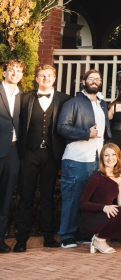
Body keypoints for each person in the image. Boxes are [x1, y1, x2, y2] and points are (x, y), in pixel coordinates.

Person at [14, 64, 69, 251]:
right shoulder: (24, 98)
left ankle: (48, 237)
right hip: (29, 153)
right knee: (26, 197)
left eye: (49, 76)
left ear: (54, 79)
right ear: (36, 79)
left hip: (52, 155)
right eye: (41, 76)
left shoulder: (64, 99)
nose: (45, 79)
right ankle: (21, 239)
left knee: (48, 197)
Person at [57, 69, 110, 249]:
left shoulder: (103, 104)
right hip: (76, 158)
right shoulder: (73, 103)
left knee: (89, 199)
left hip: (96, 159)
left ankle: (82, 233)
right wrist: (86, 133)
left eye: (98, 79)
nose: (94, 81)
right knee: (72, 198)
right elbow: (62, 127)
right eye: (91, 79)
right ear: (83, 82)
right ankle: (66, 235)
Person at [78, 143, 121, 254]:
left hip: (106, 216)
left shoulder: (119, 177)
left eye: (113, 155)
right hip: (90, 219)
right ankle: (99, 240)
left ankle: (99, 238)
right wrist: (104, 207)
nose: (110, 158)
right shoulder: (96, 177)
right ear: (102, 158)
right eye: (106, 155)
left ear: (118, 157)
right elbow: (82, 203)